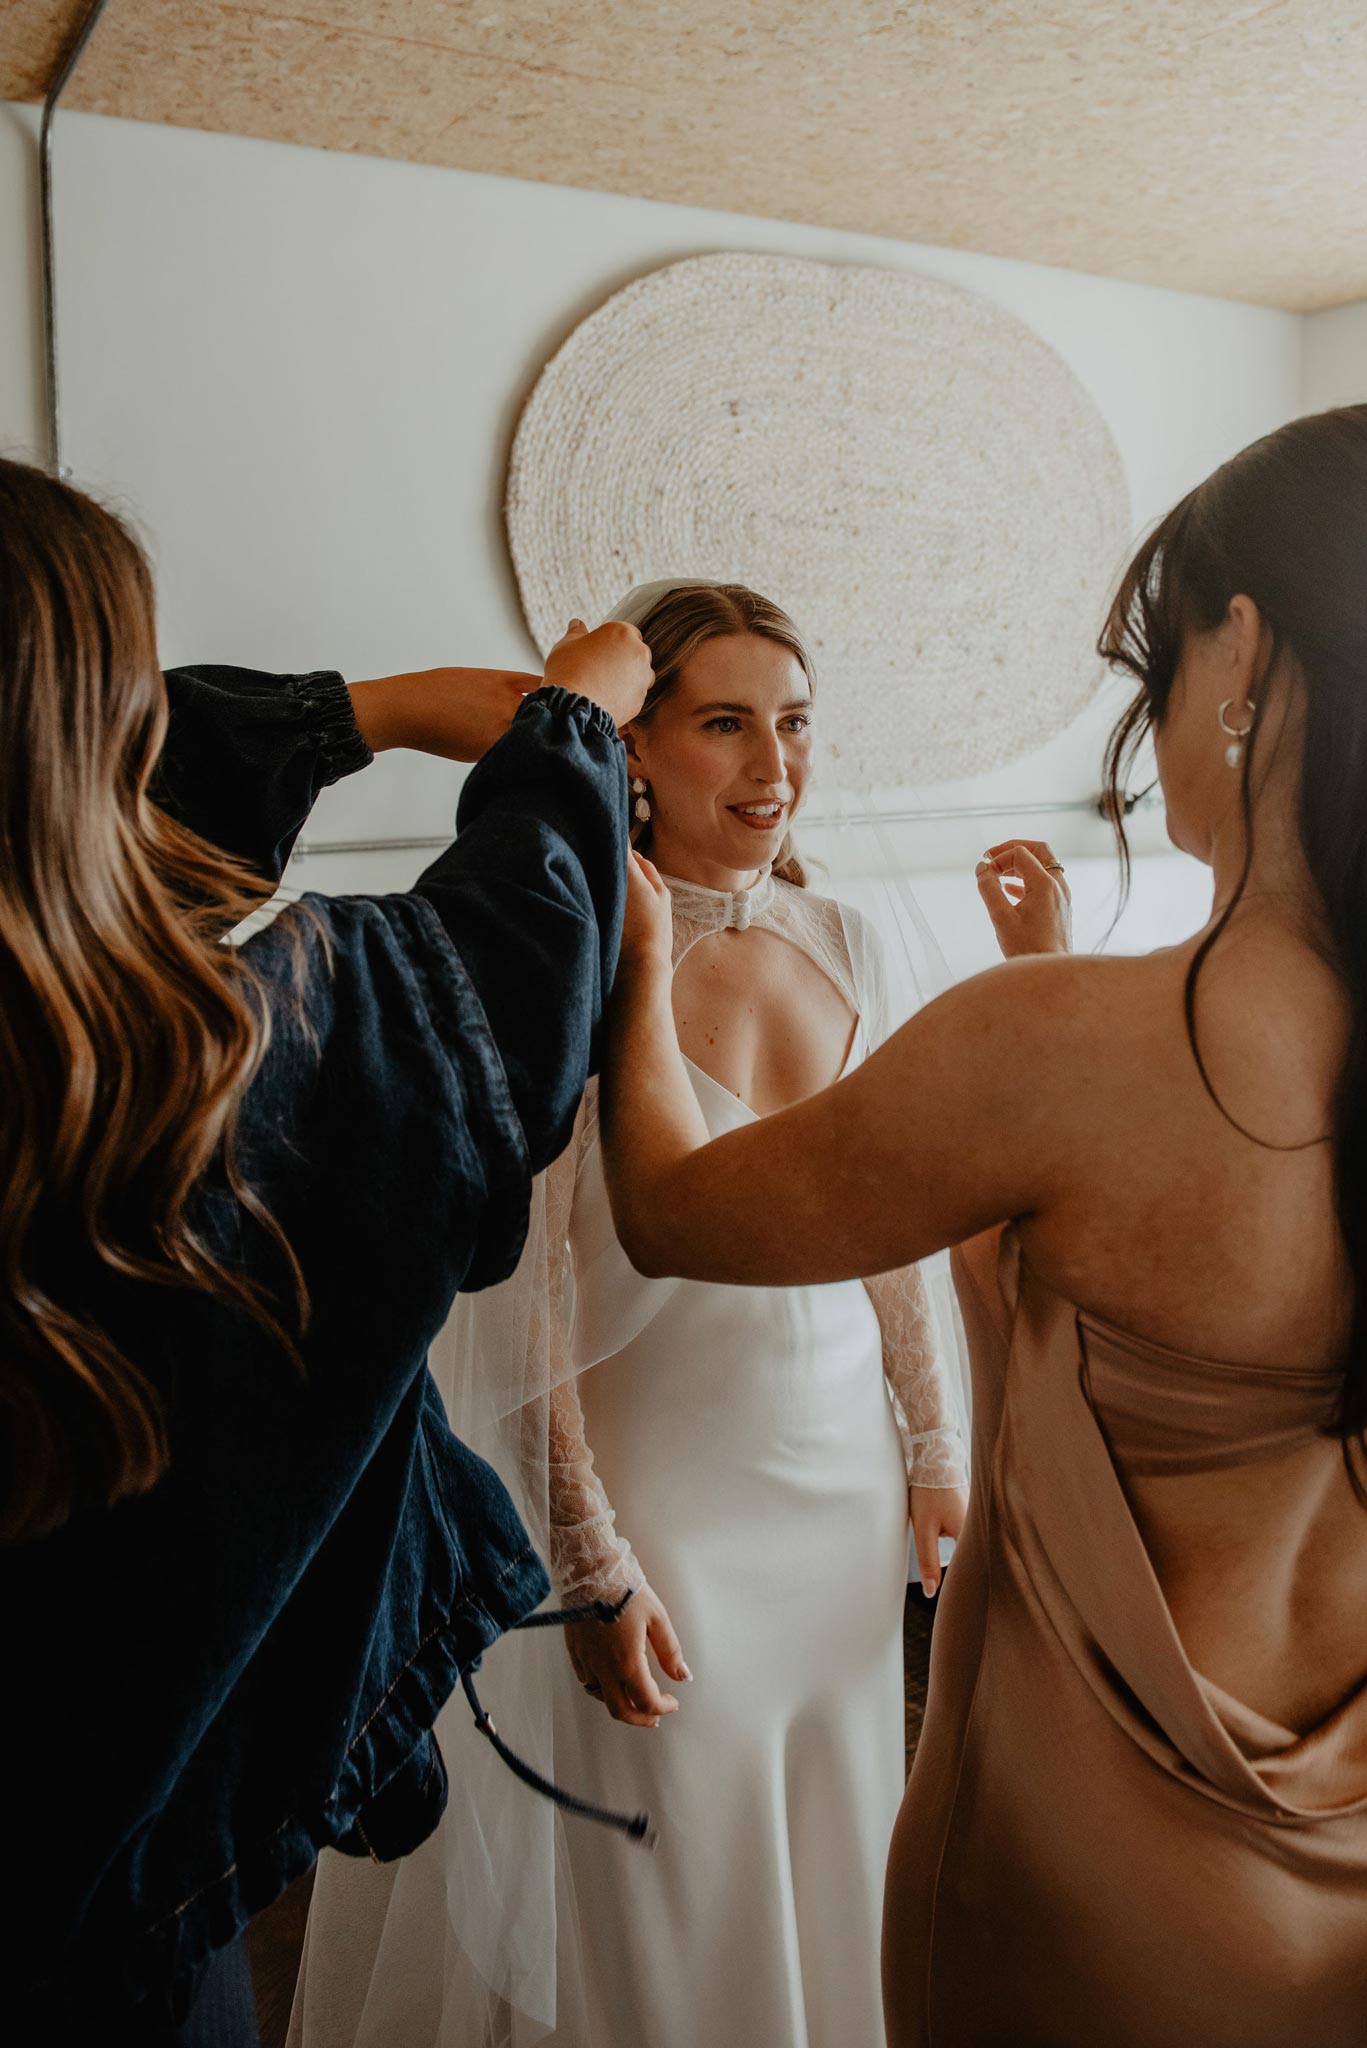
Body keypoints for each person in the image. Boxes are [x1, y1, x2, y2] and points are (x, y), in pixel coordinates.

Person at [599, 413, 1367, 2046]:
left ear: (1242, 657)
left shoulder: (1046, 1045)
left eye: (1153, 667)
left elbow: (666, 1207)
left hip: (1087, 1840)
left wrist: (625, 955)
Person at [0, 456, 652, 2042]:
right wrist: (565, 722)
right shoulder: (214, 1067)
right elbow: (505, 970)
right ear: (97, 735)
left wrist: (374, 710)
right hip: (107, 1930)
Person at [291, 581, 968, 2048]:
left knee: (830, 1836)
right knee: (671, 1890)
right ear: (635, 750)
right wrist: (587, 1563)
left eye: (793, 724)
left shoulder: (850, 945)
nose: (773, 765)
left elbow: (895, 1231)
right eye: (725, 724)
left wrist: (931, 1444)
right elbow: (520, 1299)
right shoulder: (572, 965)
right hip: (668, 1509)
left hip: (838, 1499)